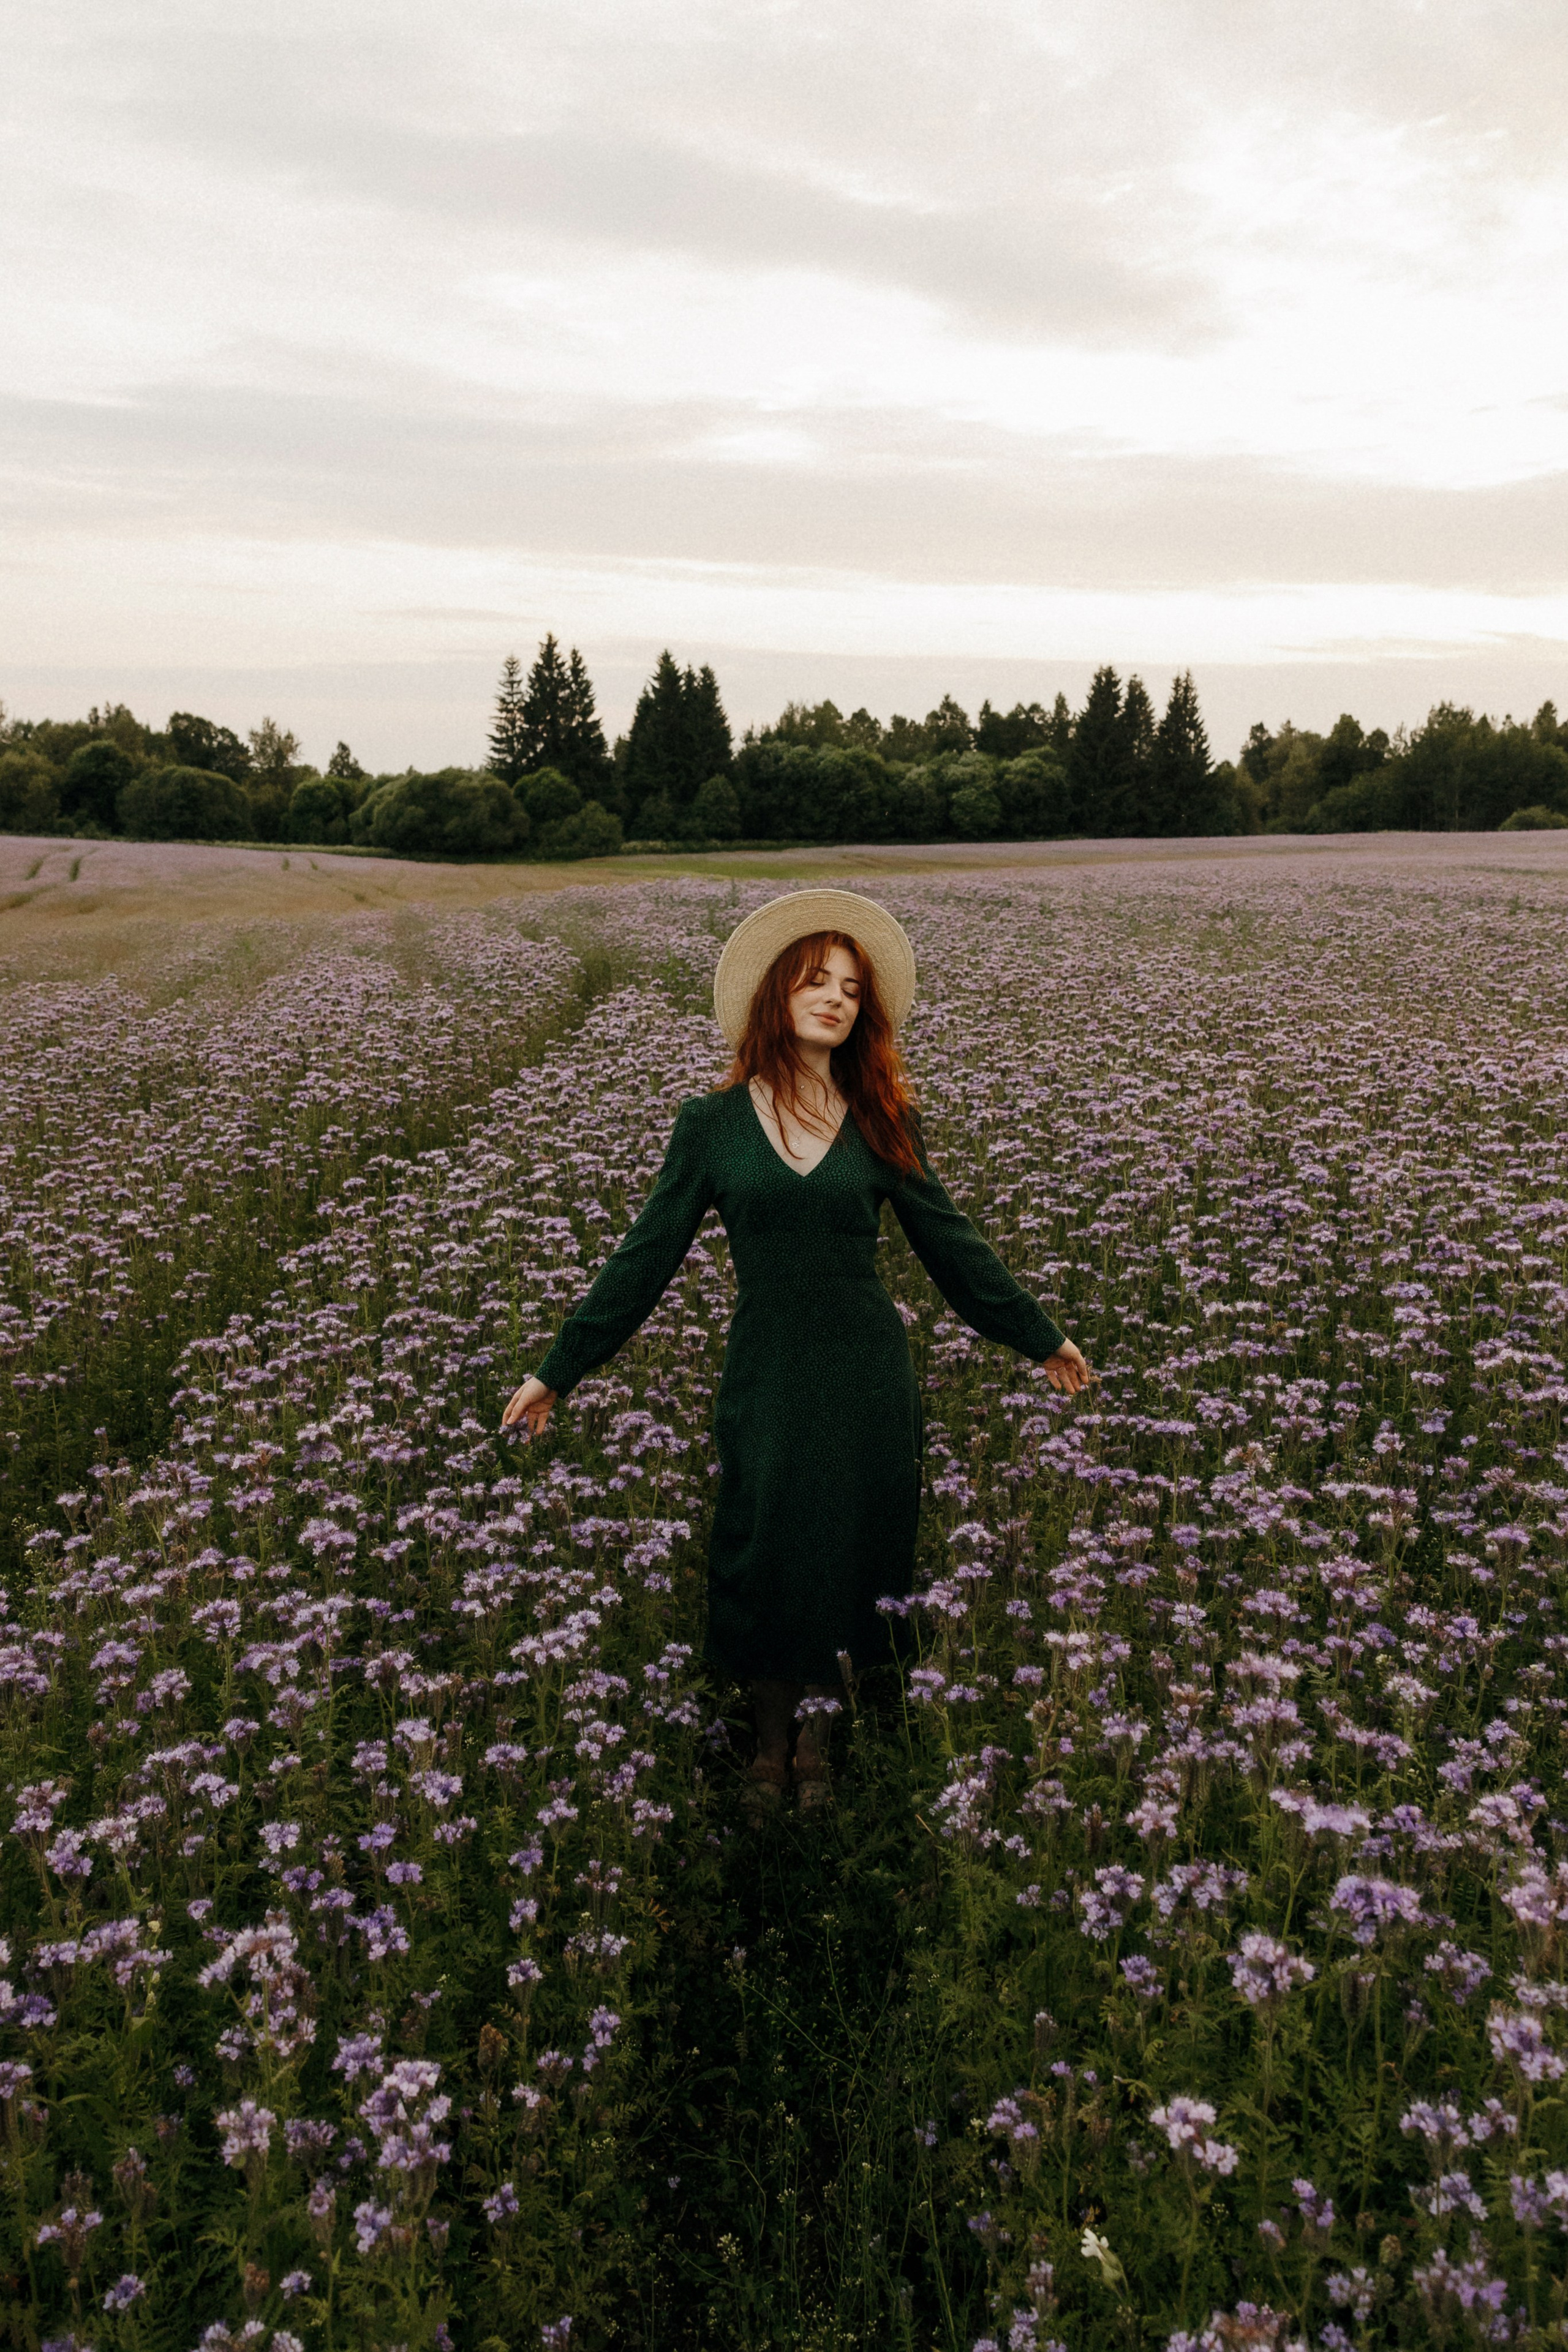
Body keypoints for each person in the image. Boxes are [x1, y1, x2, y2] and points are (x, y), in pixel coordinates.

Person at [502, 888, 1091, 1814]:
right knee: (764, 1540)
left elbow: (952, 1244)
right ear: (777, 994)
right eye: (817, 982)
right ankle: (764, 1743)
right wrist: (557, 1371)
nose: (834, 1000)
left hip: (864, 1369)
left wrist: (1038, 1334)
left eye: (851, 990)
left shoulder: (883, 1117)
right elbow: (644, 1258)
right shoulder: (713, 1125)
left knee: (853, 1545)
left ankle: (820, 1739)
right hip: (768, 1363)